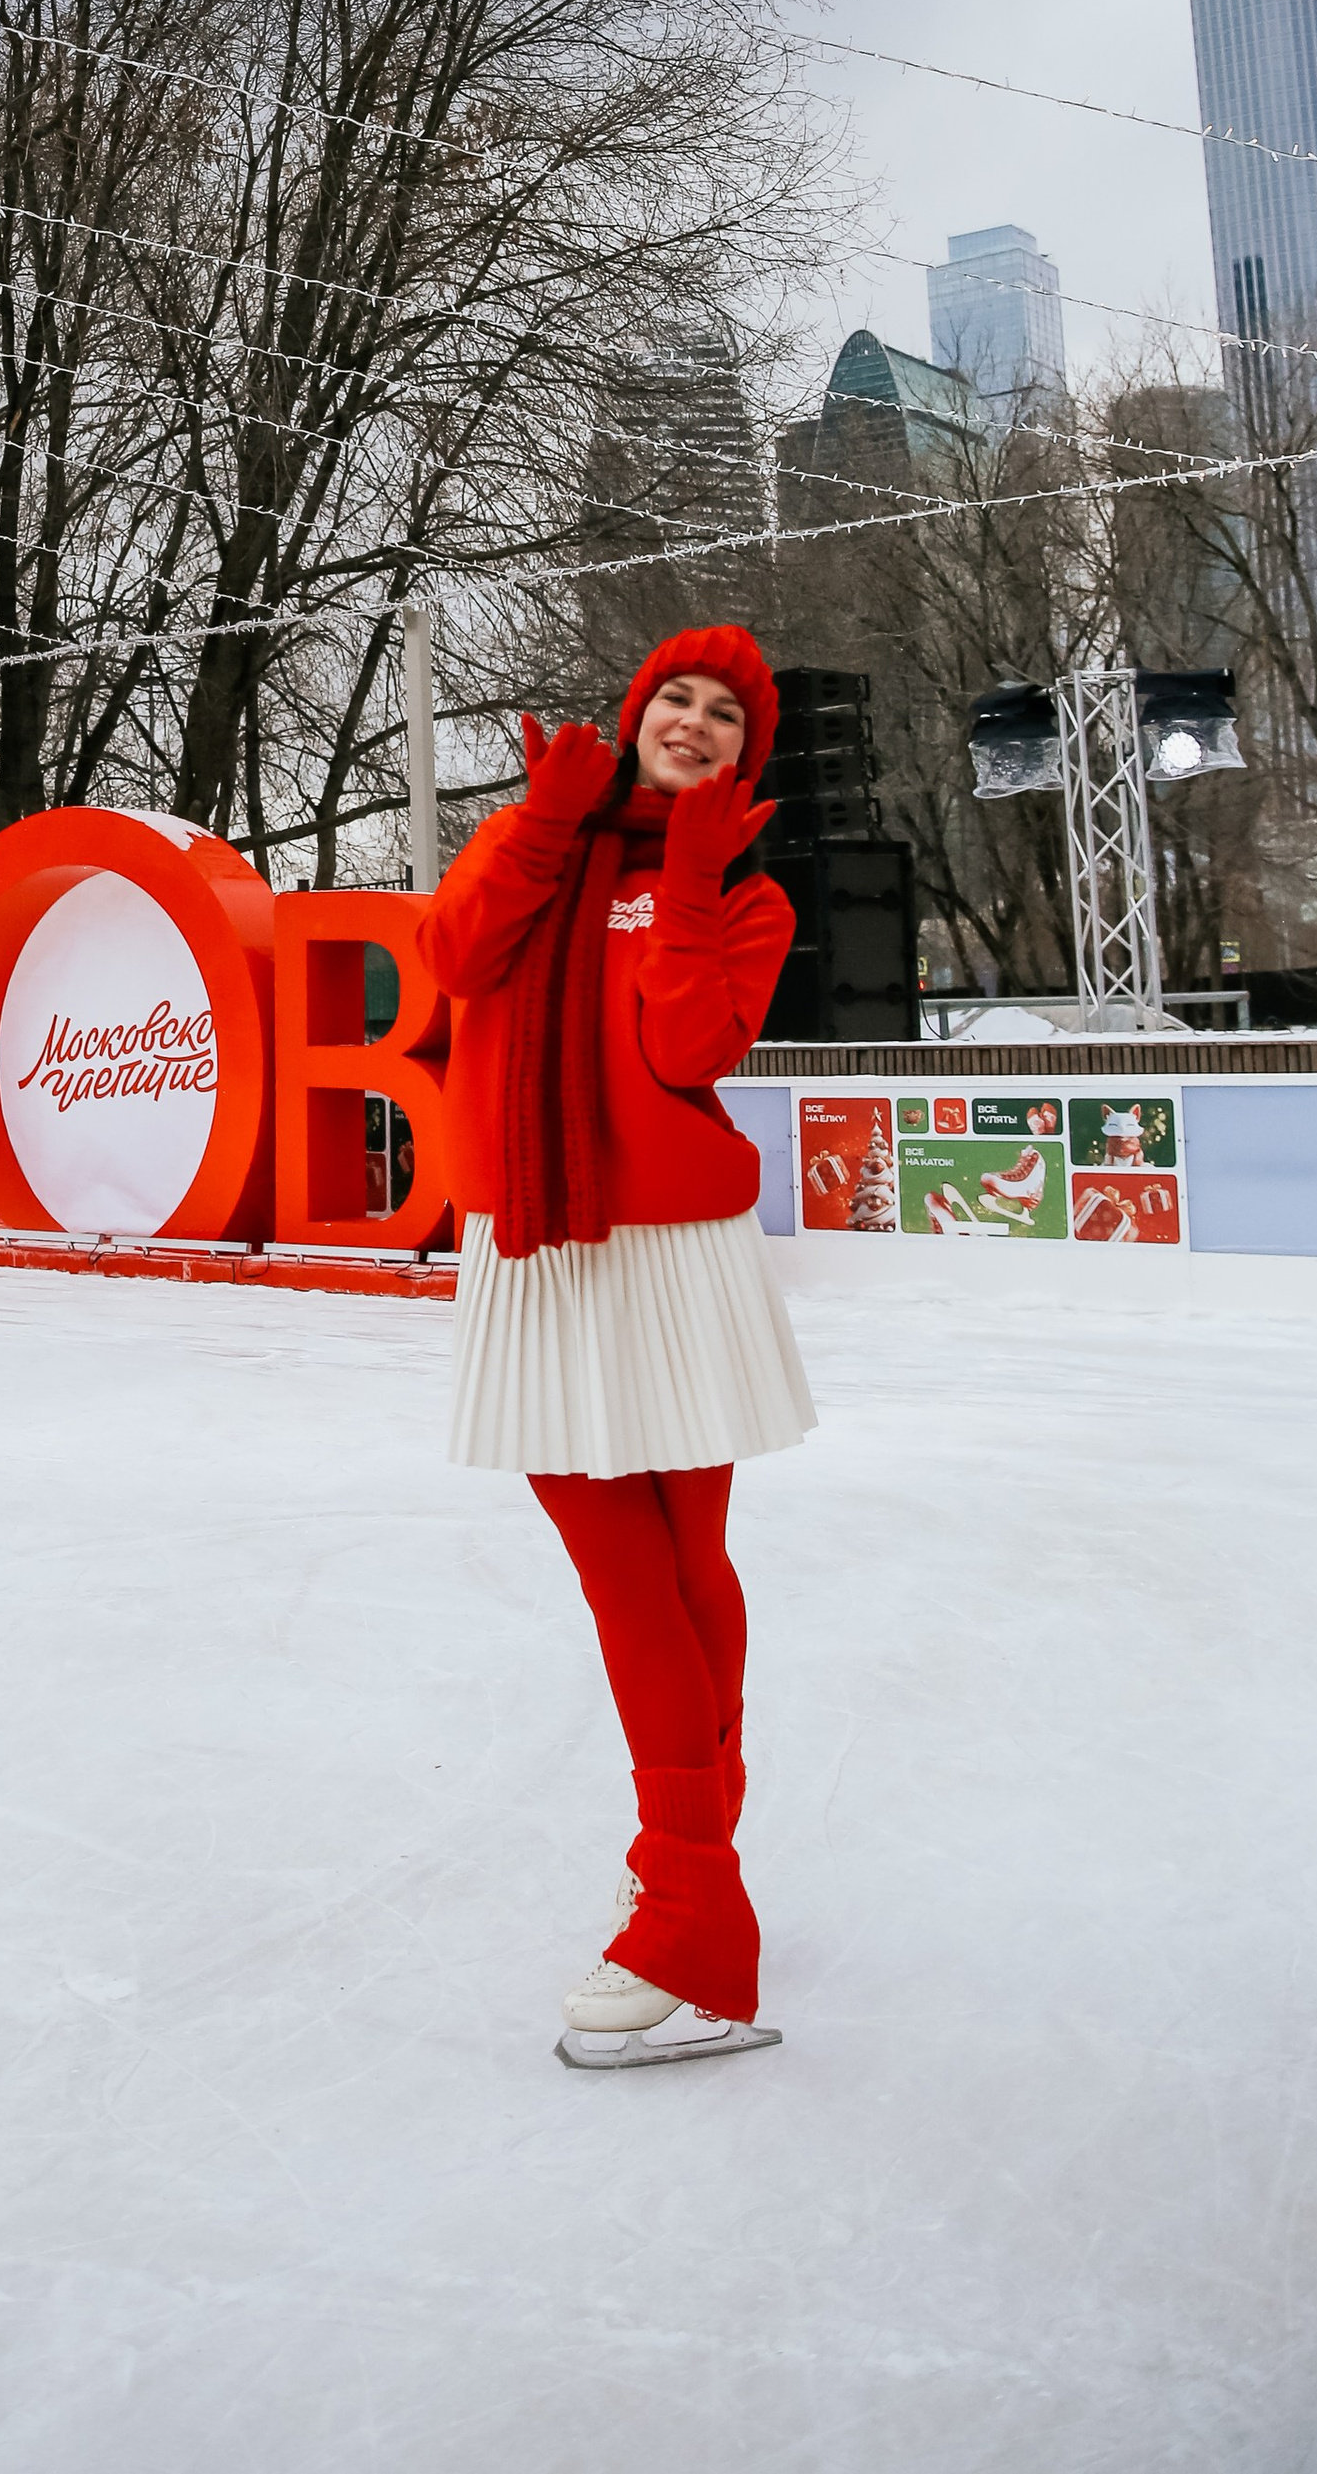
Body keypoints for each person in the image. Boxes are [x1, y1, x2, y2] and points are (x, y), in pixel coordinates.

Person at [424, 625, 814, 2072]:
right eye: (678, 698)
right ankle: (695, 1857)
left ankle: (692, 1908)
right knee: (629, 1561)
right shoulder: (536, 841)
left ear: (746, 753)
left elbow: (689, 1052)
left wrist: (696, 881)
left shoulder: (747, 895)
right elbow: (452, 953)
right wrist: (539, 822)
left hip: (674, 1254)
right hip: (538, 1240)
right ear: (634, 710)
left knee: (678, 1563)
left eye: (727, 714)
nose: (698, 722)